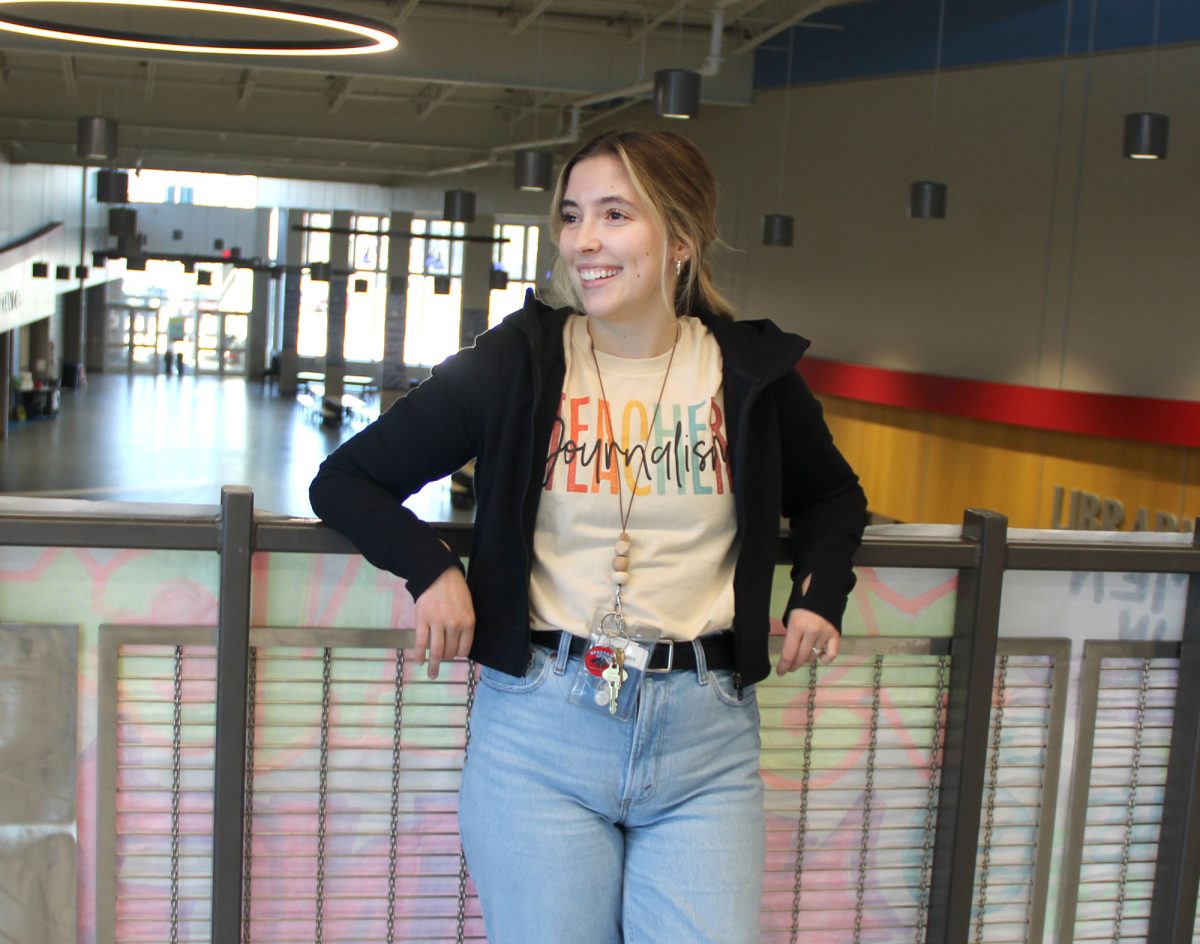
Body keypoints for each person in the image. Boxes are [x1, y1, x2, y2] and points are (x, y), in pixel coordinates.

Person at [309, 129, 867, 944]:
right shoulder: (521, 362)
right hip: (540, 731)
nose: (585, 242)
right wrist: (433, 567)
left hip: (706, 744)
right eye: (573, 217)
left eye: (615, 214)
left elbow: (833, 496)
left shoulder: (751, 375)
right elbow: (346, 480)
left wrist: (821, 591)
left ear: (681, 239)